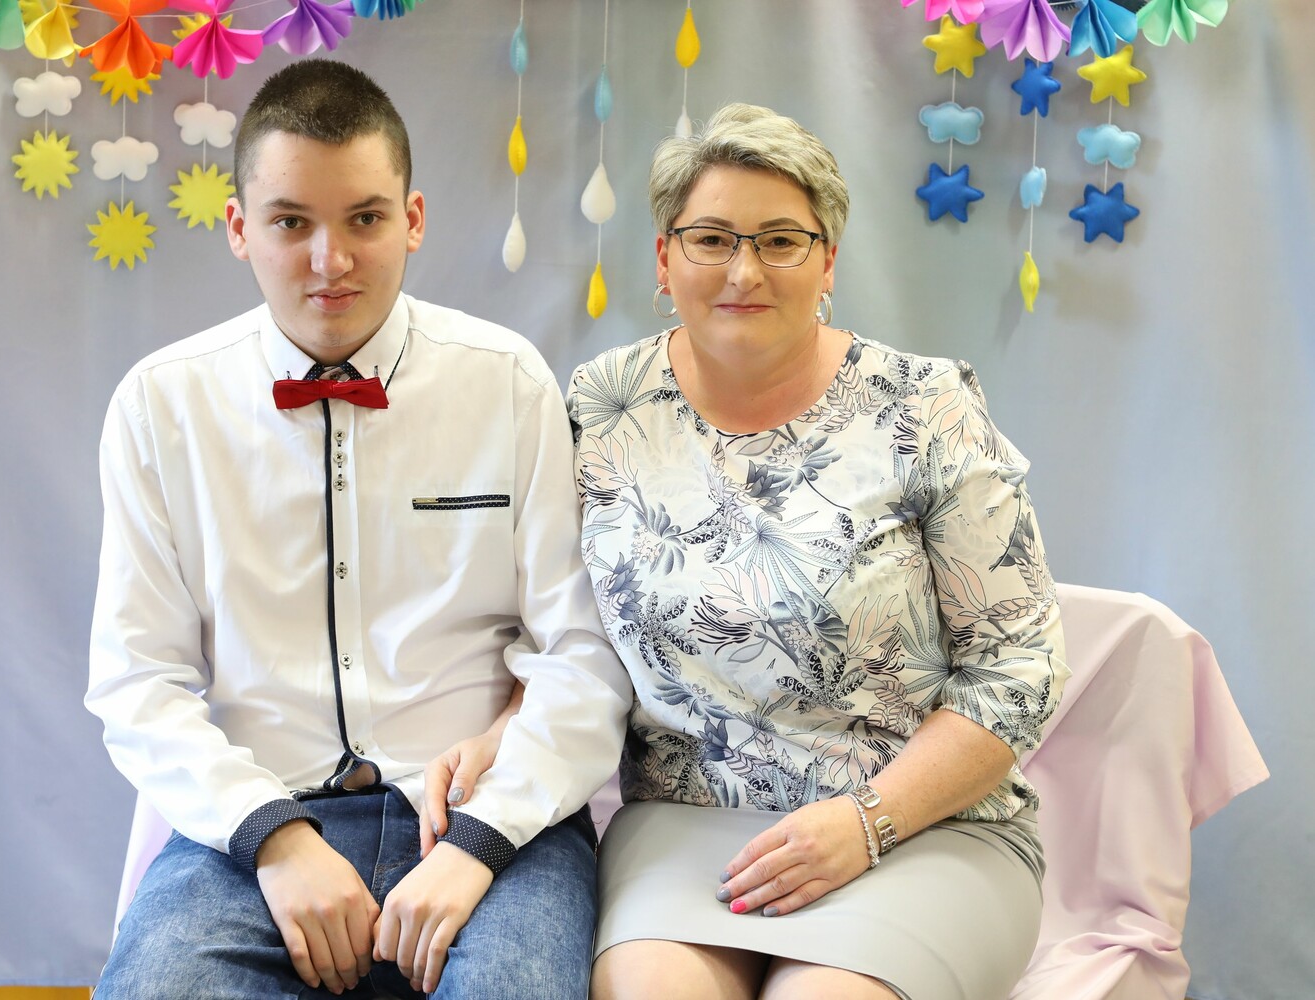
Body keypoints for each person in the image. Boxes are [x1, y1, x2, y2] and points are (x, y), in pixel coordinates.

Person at [451, 103, 1069, 999]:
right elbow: (562, 619)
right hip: (685, 822)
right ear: (664, 258)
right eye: (711, 239)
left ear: (828, 262)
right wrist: (506, 727)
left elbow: (1019, 669)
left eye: (781, 241)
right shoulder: (601, 405)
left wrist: (866, 823)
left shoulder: (925, 406)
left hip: (924, 824)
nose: (744, 270)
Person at [85, 59, 630, 1000]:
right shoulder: (159, 406)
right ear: (238, 228)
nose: (329, 260)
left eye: (365, 219)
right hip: (253, 830)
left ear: (412, 219)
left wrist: (478, 841)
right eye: (291, 222)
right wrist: (274, 839)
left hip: (489, 823)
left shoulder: (507, 382)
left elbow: (581, 654)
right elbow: (139, 682)